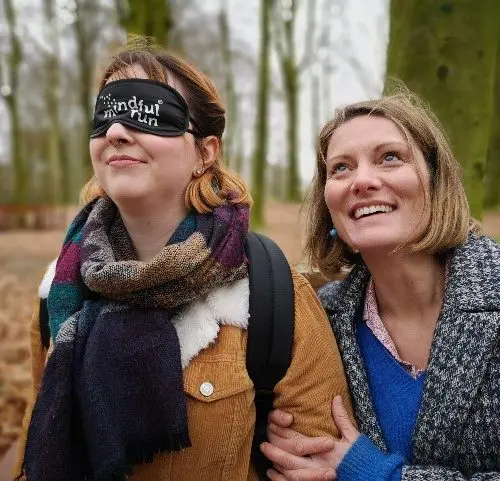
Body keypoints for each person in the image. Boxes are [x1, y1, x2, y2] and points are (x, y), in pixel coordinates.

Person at [13, 44, 354, 481]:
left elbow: (318, 460)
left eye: (148, 111)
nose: (116, 130)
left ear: (205, 152)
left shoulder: (272, 295)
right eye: (106, 115)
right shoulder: (61, 290)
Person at [260, 89, 500, 481]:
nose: (362, 181)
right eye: (341, 168)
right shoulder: (319, 318)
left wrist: (373, 473)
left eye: (390, 157)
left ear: (435, 180)